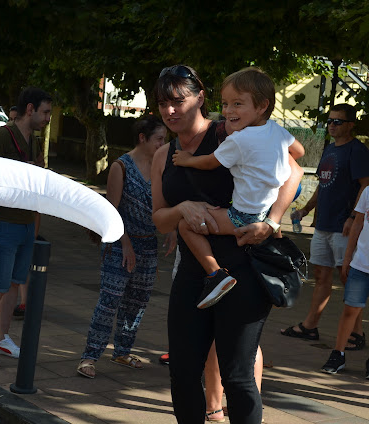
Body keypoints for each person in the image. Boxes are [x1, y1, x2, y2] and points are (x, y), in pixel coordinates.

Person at [151, 64, 303, 423]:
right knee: (183, 372)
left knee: (238, 375)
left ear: (200, 98)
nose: (169, 111)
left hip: (246, 266)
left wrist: (272, 220)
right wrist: (182, 209)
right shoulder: (163, 154)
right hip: (194, 272)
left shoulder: (232, 131)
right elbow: (159, 218)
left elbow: (295, 167)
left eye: (178, 101)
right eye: (162, 103)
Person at [172, 67, 304, 309]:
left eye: (237, 104)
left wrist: (187, 159)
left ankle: (216, 275)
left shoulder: (240, 140)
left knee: (185, 226)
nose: (228, 111)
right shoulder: (277, 131)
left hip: (243, 216)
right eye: (225, 104)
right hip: (268, 212)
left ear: (262, 105)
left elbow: (210, 161)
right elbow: (300, 152)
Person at [77, 116, 175, 378]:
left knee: (138, 302)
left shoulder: (160, 166)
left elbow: (166, 203)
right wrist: (126, 244)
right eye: (159, 139)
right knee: (109, 302)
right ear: (142, 138)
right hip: (120, 244)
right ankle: (90, 356)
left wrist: (173, 229)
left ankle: (122, 351)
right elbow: (112, 211)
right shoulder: (121, 166)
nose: (162, 144)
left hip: (148, 245)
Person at [0, 87, 51, 367]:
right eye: (45, 112)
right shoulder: (3, 136)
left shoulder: (34, 140)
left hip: (26, 223)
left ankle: (0, 338)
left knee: (14, 285)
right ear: (30, 109)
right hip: (2, 223)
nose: (48, 118)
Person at [282, 103, 369, 348]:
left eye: (338, 121)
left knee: (348, 278)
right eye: (330, 120)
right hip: (322, 224)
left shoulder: (357, 150)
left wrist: (354, 218)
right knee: (321, 275)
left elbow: (366, 185)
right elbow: (323, 184)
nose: (331, 125)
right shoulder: (329, 149)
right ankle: (310, 327)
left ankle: (356, 333)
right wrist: (305, 210)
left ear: (350, 125)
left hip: (344, 226)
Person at [321, 186, 369, 375]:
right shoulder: (367, 191)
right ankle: (338, 354)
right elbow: (357, 223)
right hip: (361, 263)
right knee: (350, 309)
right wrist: (348, 257)